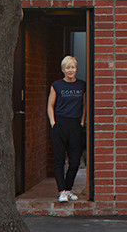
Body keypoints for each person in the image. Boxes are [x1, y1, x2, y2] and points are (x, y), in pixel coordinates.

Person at [47, 54, 86, 202]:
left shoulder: (81, 85)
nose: (71, 70)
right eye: (68, 67)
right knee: (59, 160)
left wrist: (82, 121)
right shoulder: (57, 85)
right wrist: (53, 122)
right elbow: (50, 105)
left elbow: (85, 104)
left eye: (73, 67)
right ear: (63, 69)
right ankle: (61, 191)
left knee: (75, 161)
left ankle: (68, 189)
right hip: (60, 124)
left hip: (75, 124)